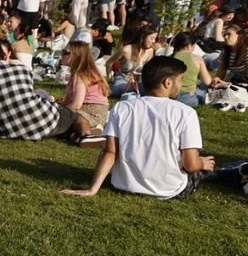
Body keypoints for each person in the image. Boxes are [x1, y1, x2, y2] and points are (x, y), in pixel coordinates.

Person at [62, 56, 214, 200]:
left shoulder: (121, 107)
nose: (181, 85)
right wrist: (201, 163)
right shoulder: (185, 113)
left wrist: (93, 189)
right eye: (180, 80)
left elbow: (110, 152)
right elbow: (190, 165)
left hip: (124, 185)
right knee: (205, 168)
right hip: (169, 189)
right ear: (168, 82)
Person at [0, 60, 90, 141]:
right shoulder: (23, 70)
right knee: (77, 118)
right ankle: (86, 136)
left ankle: (73, 136)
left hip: (5, 130)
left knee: (60, 125)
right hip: (43, 121)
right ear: (6, 56)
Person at [60, 39, 110, 133]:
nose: (62, 55)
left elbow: (76, 105)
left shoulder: (80, 75)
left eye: (65, 52)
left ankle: (88, 130)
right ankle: (85, 131)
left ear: (76, 56)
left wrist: (58, 112)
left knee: (64, 116)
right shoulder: (78, 73)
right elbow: (67, 101)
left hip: (92, 113)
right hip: (94, 111)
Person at [110, 25, 158, 97]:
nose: (153, 41)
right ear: (143, 37)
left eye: (155, 39)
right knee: (118, 89)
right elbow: (109, 63)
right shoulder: (126, 50)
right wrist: (110, 79)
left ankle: (135, 93)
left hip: (139, 82)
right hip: (123, 81)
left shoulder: (150, 51)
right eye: (152, 38)